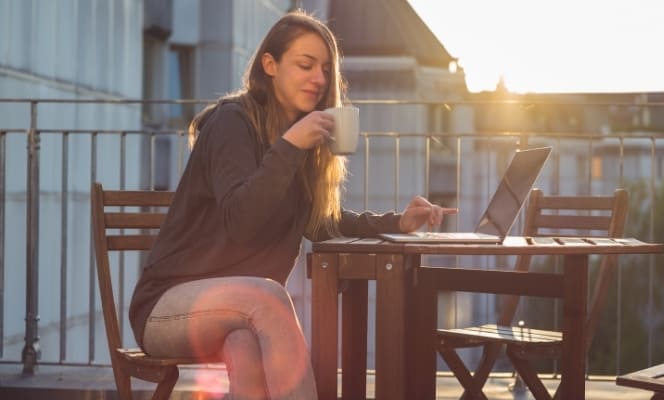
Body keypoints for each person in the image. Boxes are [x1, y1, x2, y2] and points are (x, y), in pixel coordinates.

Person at [128, 10, 456, 400]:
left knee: (244, 346)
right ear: (270, 64)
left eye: (325, 68)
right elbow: (241, 221)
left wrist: (398, 221)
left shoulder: (295, 143)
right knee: (268, 297)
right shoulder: (232, 123)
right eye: (305, 65)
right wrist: (291, 146)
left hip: (238, 314)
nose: (318, 78)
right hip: (167, 309)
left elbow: (320, 224)